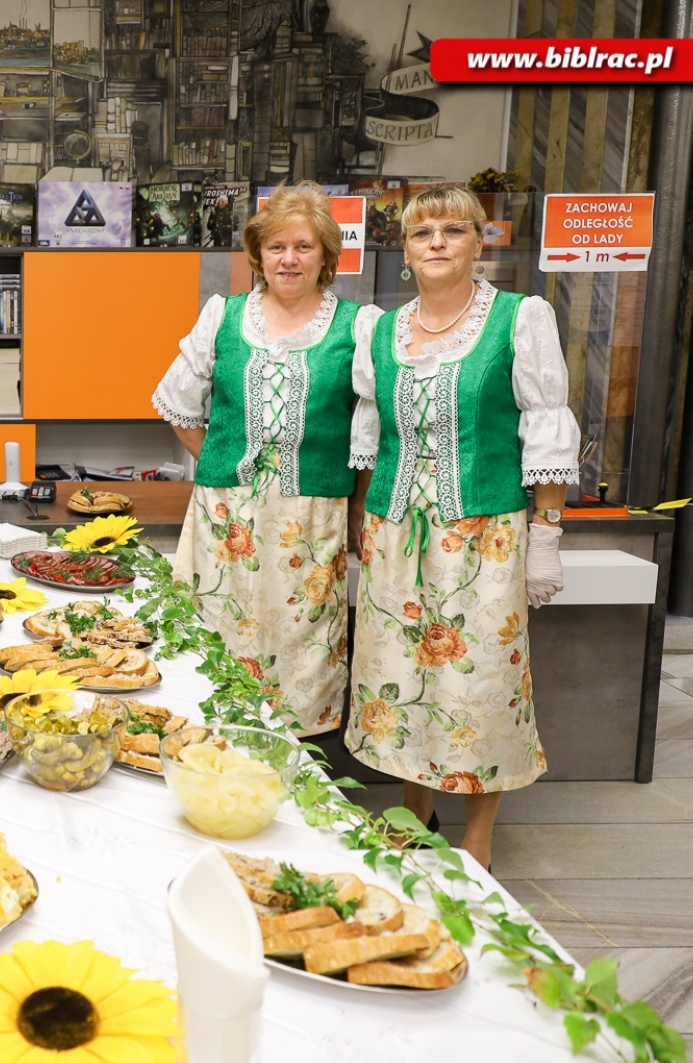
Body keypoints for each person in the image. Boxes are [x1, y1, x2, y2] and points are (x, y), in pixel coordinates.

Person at [347, 183, 578, 870]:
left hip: (485, 534)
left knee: (478, 682)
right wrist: (363, 520)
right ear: (406, 251)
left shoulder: (519, 318)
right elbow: (371, 434)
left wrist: (547, 536)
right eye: (423, 233)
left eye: (454, 229)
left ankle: (477, 835)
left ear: (481, 242)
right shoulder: (379, 330)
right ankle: (415, 813)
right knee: (402, 677)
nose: (438, 242)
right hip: (396, 535)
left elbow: (547, 428)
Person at [152, 181, 381, 736]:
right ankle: (211, 771)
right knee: (216, 644)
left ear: (327, 254)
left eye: (303, 246)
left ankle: (292, 788)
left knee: (302, 653)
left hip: (309, 523)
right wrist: (222, 461)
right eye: (276, 247)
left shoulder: (360, 325)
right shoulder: (223, 316)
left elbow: (369, 434)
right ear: (258, 254)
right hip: (224, 517)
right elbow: (178, 404)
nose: (288, 259)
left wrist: (357, 509)